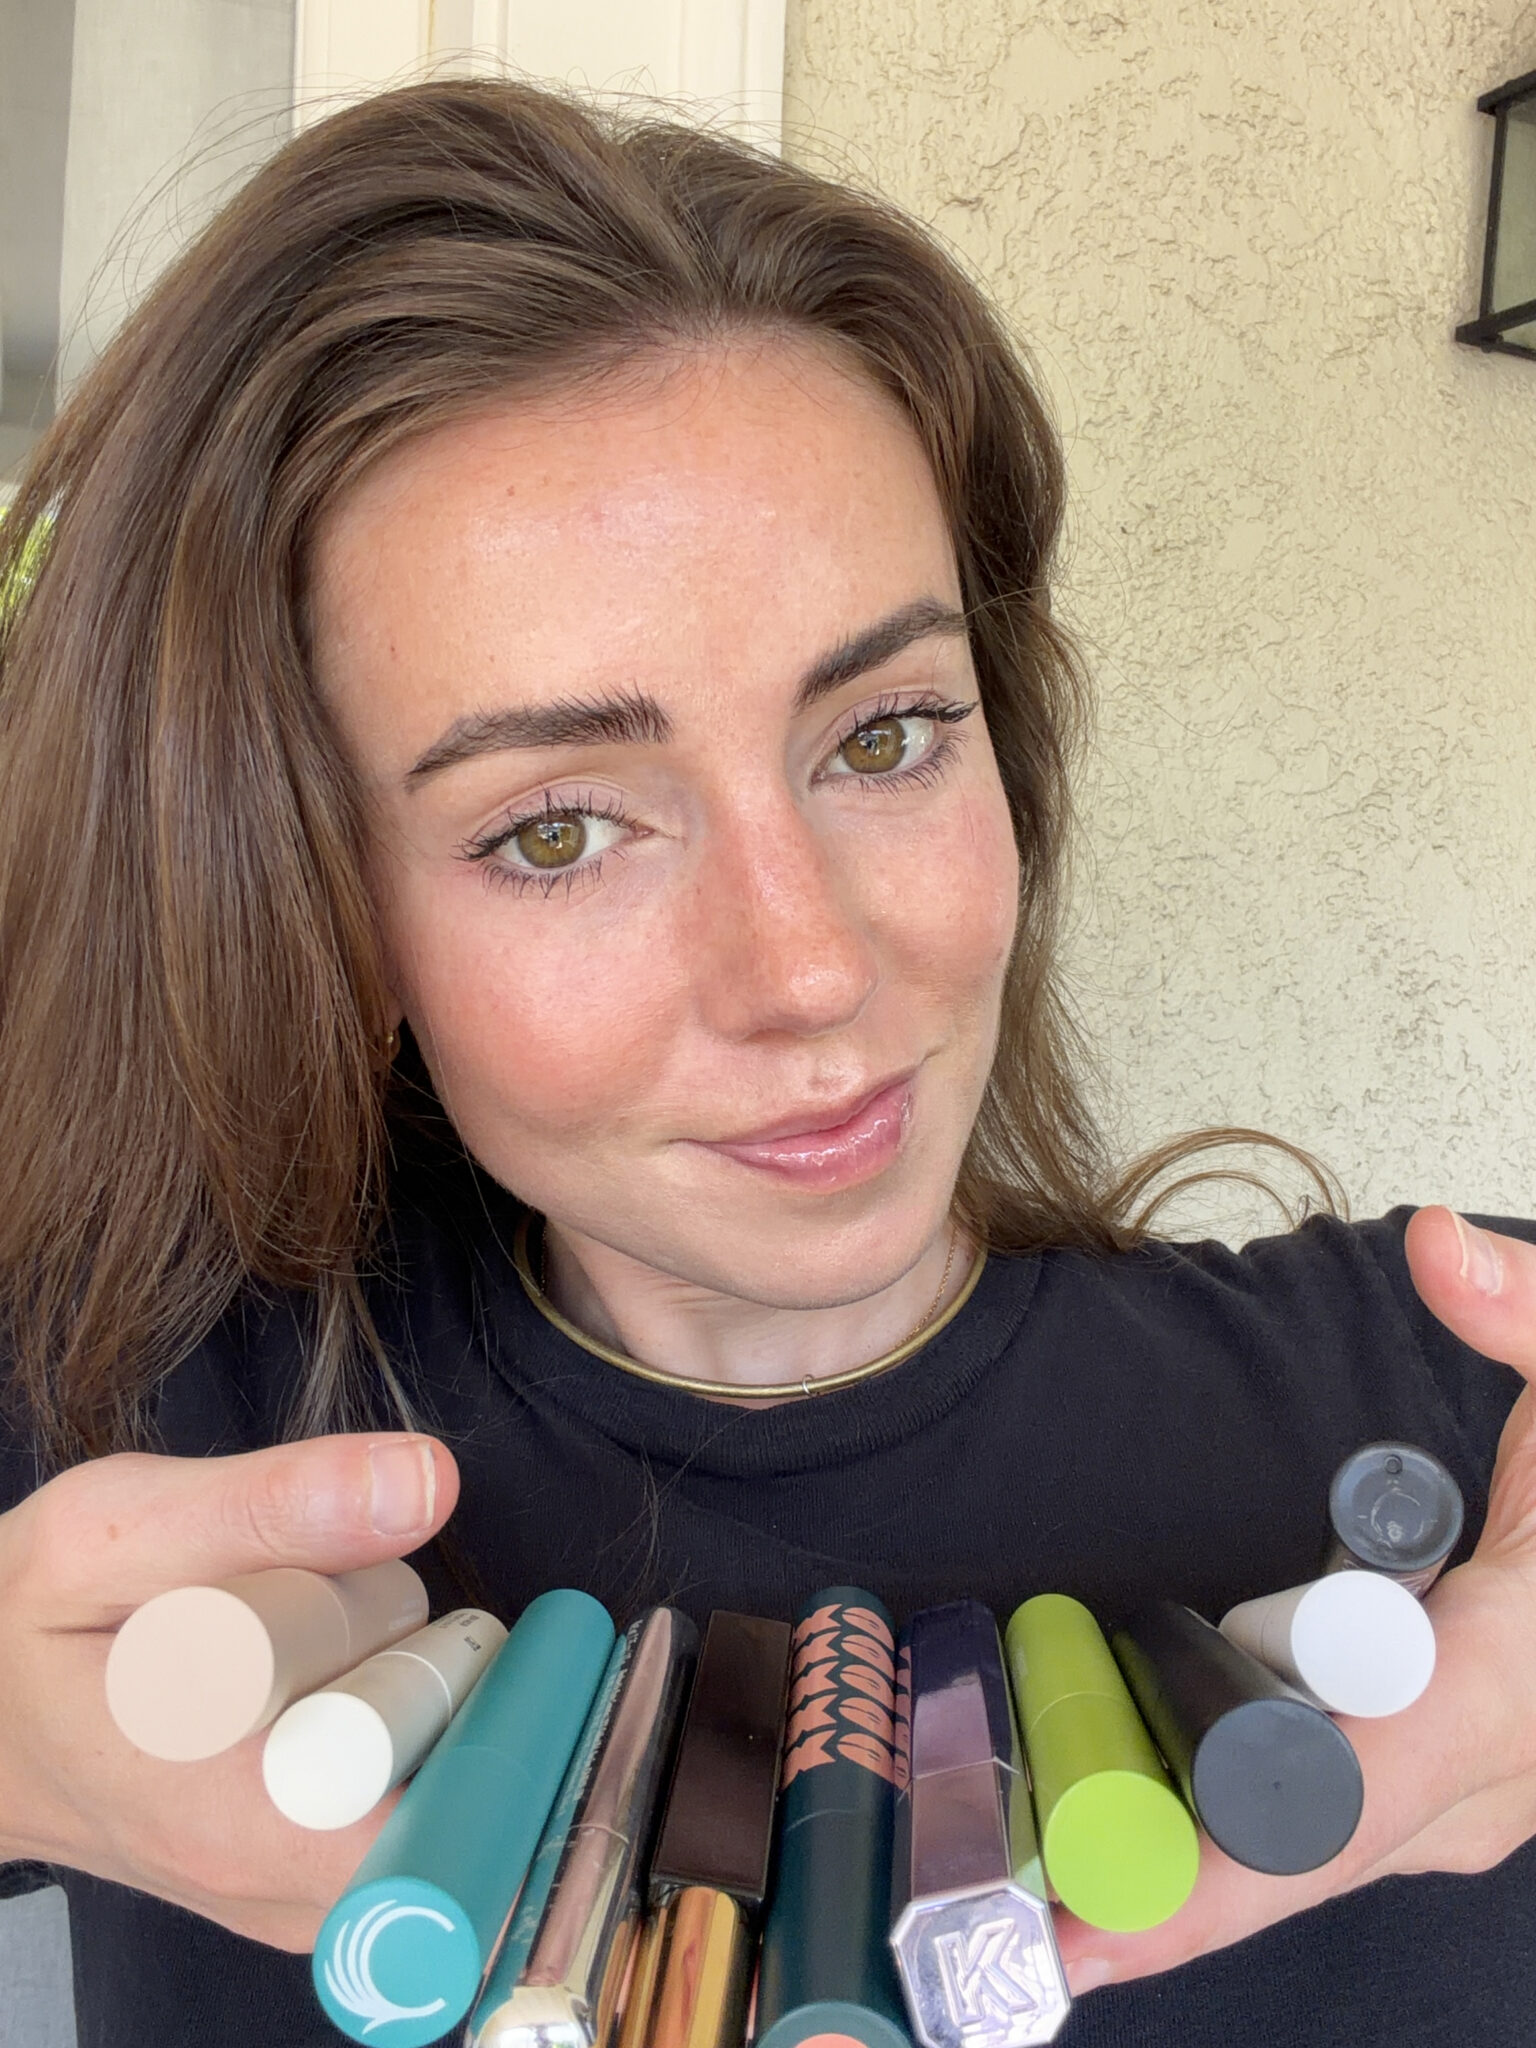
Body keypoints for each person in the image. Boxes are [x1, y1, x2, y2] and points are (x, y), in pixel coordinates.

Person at [0, 77, 1532, 2048]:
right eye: (558, 826)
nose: (810, 967)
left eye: (882, 736)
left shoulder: (1456, 1417)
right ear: (331, 915)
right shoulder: (139, 1433)